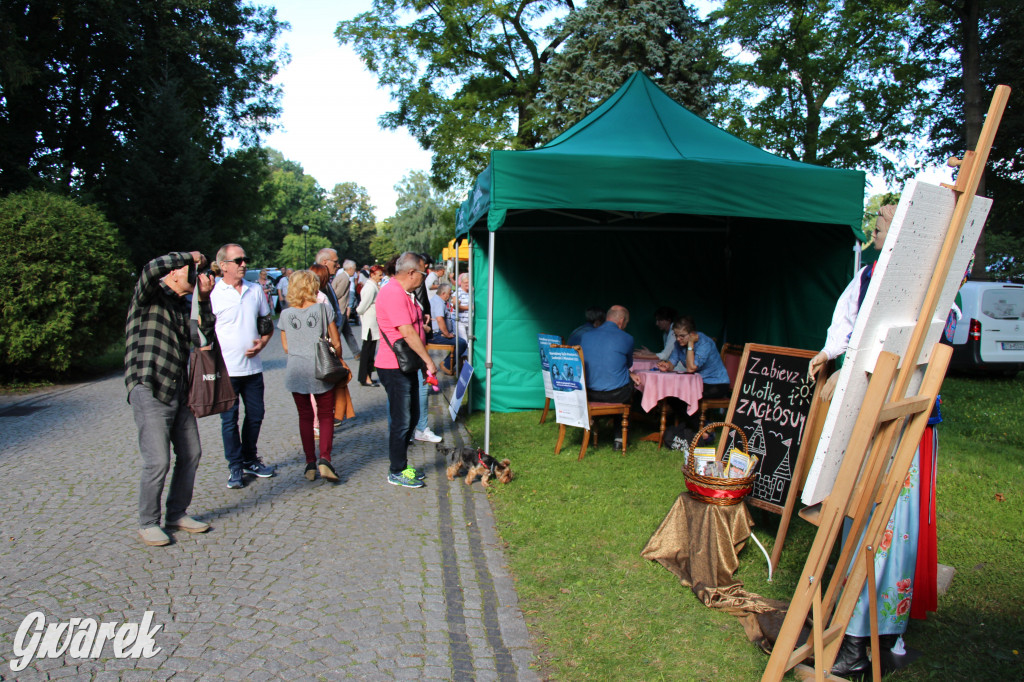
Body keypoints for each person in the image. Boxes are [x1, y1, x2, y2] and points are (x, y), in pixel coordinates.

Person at [806, 204, 927, 676]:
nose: (873, 229)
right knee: (864, 517)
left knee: (887, 520)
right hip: (868, 405)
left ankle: (866, 636)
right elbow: (845, 324)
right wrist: (830, 354)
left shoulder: (923, 282)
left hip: (895, 412)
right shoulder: (868, 274)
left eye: (880, 226)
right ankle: (860, 631)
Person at [125, 251, 214, 546]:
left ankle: (176, 513)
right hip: (149, 386)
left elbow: (204, 338)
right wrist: (188, 255)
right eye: (191, 270)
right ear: (176, 272)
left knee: (191, 453)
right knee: (158, 460)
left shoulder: (180, 306)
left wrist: (203, 298)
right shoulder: (149, 296)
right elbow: (151, 267)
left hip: (178, 388)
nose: (196, 273)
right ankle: (148, 522)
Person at [211, 243, 276, 489]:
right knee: (229, 420)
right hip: (227, 370)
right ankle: (235, 466)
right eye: (238, 260)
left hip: (253, 369)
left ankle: (250, 458)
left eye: (244, 259)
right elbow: (204, 332)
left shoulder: (255, 290)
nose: (243, 264)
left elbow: (266, 323)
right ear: (223, 265)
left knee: (256, 414)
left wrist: (262, 344)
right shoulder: (214, 294)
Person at [376, 252, 437, 488]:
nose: (425, 277)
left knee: (409, 417)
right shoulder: (392, 292)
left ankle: (402, 465)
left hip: (406, 364)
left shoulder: (405, 293)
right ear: (411, 273)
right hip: (394, 365)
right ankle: (396, 470)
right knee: (402, 420)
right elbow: (407, 332)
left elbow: (414, 326)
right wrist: (428, 361)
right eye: (423, 272)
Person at [278, 270, 345, 483]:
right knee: (325, 414)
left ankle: (309, 463)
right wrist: (338, 361)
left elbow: (286, 347)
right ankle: (325, 458)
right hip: (320, 368)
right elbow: (336, 342)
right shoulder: (323, 309)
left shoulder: (285, 315)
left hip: (296, 369)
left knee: (305, 416)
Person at [316, 249, 358, 428]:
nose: (338, 265)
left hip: (335, 330)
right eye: (335, 262)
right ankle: (328, 416)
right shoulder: (319, 286)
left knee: (338, 378)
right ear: (325, 262)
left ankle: (336, 413)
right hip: (326, 341)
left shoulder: (328, 282)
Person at [657, 317, 730, 397]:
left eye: (682, 336)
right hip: (697, 382)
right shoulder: (679, 344)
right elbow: (672, 363)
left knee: (683, 394)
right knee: (671, 390)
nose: (678, 339)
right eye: (676, 335)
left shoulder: (704, 343)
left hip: (716, 383)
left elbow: (691, 368)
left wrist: (690, 343)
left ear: (692, 334)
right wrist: (666, 366)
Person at [579, 305, 635, 403]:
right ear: (622, 321)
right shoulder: (627, 338)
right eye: (626, 322)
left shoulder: (585, 336)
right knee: (634, 383)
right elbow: (628, 364)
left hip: (588, 393)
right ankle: (620, 417)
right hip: (616, 394)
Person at [355, 265, 385, 387]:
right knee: (367, 352)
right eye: (379, 275)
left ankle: (367, 376)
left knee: (370, 352)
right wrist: (360, 312)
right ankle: (365, 376)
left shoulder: (372, 286)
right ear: (372, 275)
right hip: (369, 324)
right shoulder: (370, 288)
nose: (381, 277)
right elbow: (362, 307)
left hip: (372, 324)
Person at [428, 282, 466, 375]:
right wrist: (447, 334)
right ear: (443, 293)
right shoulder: (439, 303)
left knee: (460, 341)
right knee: (461, 343)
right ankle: (447, 365)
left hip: (436, 333)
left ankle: (449, 364)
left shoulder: (437, 300)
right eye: (449, 293)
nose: (450, 295)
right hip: (436, 334)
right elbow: (440, 319)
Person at [330, 258, 363, 357]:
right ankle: (332, 354)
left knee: (348, 333)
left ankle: (356, 352)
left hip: (341, 309)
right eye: (354, 268)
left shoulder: (342, 276)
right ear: (350, 268)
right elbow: (338, 294)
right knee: (337, 334)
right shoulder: (344, 278)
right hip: (340, 309)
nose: (355, 271)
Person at [456, 272, 471, 341]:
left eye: (469, 282)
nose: (467, 284)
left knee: (469, 340)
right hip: (460, 322)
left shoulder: (471, 292)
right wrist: (470, 307)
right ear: (461, 282)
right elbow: (456, 307)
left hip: (469, 321)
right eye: (465, 282)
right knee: (464, 340)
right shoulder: (458, 292)